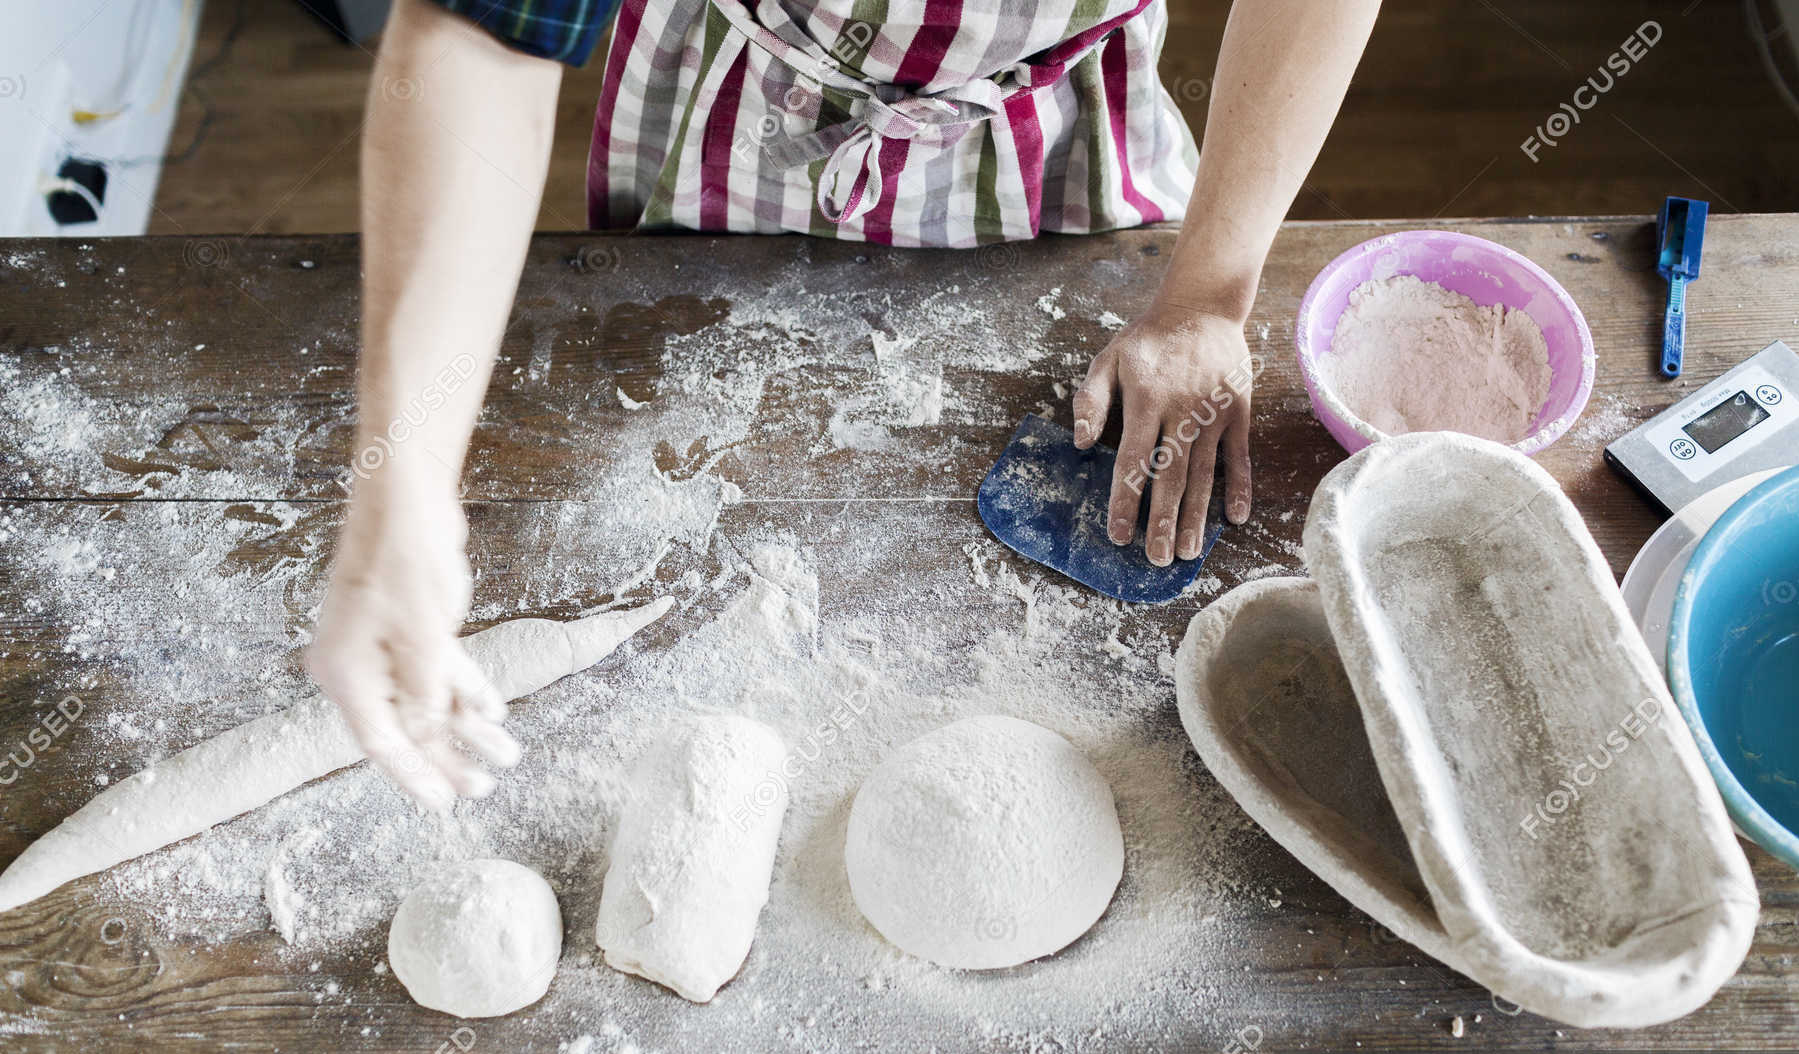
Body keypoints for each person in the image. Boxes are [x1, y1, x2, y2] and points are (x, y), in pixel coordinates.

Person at [307, 0, 1382, 807]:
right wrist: (403, 476)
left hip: (1049, 131)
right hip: (744, 104)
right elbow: (488, 29)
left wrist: (1204, 295)